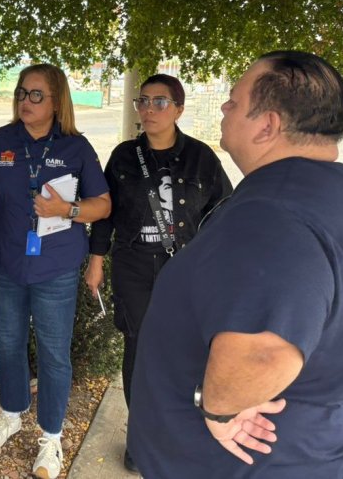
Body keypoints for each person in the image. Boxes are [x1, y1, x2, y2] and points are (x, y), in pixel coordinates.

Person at [128, 51, 343, 478]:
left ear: (267, 126)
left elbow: (264, 353)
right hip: (338, 447)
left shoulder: (272, 215)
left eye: (233, 100)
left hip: (259, 464)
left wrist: (218, 407)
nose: (224, 107)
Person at [0, 63, 111, 479]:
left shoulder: (76, 148)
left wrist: (67, 210)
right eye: (22, 93)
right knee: (8, 344)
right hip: (7, 263)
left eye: (36, 94)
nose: (26, 101)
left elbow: (102, 206)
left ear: (57, 101)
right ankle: (11, 413)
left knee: (54, 353)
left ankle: (51, 437)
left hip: (55, 267)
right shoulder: (1, 141)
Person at [88, 74, 232, 473]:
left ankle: (177, 429)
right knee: (138, 348)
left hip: (184, 269)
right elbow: (104, 213)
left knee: (184, 349)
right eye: (143, 101)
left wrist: (217, 268)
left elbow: (224, 212)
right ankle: (141, 434)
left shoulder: (202, 158)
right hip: (134, 266)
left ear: (179, 109)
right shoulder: (123, 157)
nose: (149, 109)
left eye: (160, 102)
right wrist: (96, 260)